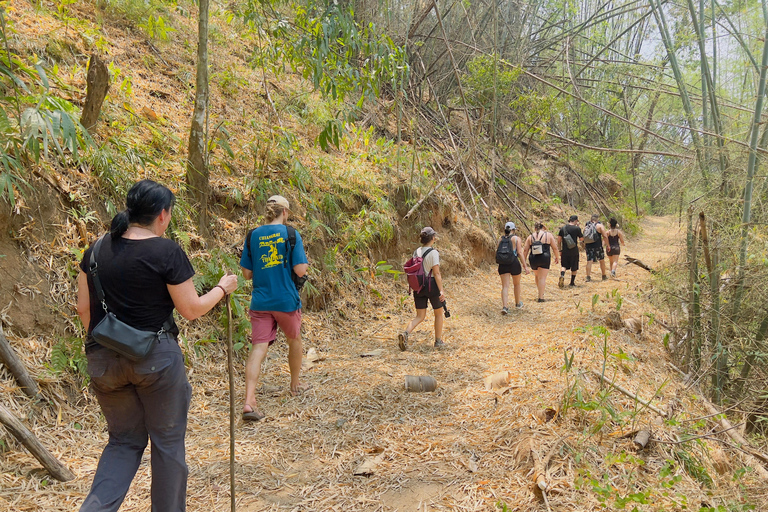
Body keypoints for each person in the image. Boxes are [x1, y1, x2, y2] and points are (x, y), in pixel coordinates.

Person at [76, 180, 238, 512]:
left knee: (122, 442)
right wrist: (222, 289)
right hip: (156, 360)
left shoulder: (94, 250)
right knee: (166, 446)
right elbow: (191, 309)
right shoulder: (166, 251)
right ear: (163, 215)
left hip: (103, 361)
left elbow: (83, 309)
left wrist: (109, 345)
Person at [239, 195, 310, 421]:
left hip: (260, 301)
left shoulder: (253, 235)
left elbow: (246, 273)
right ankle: (295, 385)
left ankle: (249, 401)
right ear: (285, 213)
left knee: (258, 348)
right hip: (286, 300)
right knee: (294, 340)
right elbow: (300, 270)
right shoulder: (290, 234)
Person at [398, 227, 446, 350]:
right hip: (431, 285)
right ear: (433, 238)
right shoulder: (433, 253)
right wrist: (441, 290)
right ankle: (438, 341)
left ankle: (406, 333)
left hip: (418, 286)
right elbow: (436, 274)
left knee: (420, 316)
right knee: (439, 313)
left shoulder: (416, 252)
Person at [497, 221, 529, 314]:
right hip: (514, 262)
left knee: (505, 286)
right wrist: (525, 265)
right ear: (513, 230)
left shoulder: (501, 239)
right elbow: (519, 252)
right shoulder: (516, 238)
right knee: (516, 284)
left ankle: (505, 307)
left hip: (503, 263)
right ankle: (518, 303)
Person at [523, 222, 559, 302]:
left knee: (537, 276)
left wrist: (523, 262)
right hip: (544, 258)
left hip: (533, 258)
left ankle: (540, 292)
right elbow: (555, 248)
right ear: (543, 227)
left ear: (535, 228)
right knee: (542, 278)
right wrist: (557, 257)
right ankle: (541, 297)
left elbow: (525, 250)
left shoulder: (530, 237)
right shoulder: (548, 235)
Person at [557, 215, 584, 288]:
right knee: (574, 267)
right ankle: (572, 283)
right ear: (575, 221)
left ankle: (562, 275)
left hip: (565, 251)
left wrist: (560, 250)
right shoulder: (577, 229)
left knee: (564, 265)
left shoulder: (563, 228)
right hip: (574, 250)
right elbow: (582, 239)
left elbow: (559, 240)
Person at [584, 213, 608, 282]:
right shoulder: (599, 226)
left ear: (591, 219)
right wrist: (607, 245)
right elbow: (605, 236)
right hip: (598, 246)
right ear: (597, 219)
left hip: (588, 246)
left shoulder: (587, 226)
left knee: (589, 261)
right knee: (601, 260)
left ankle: (588, 277)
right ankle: (603, 275)